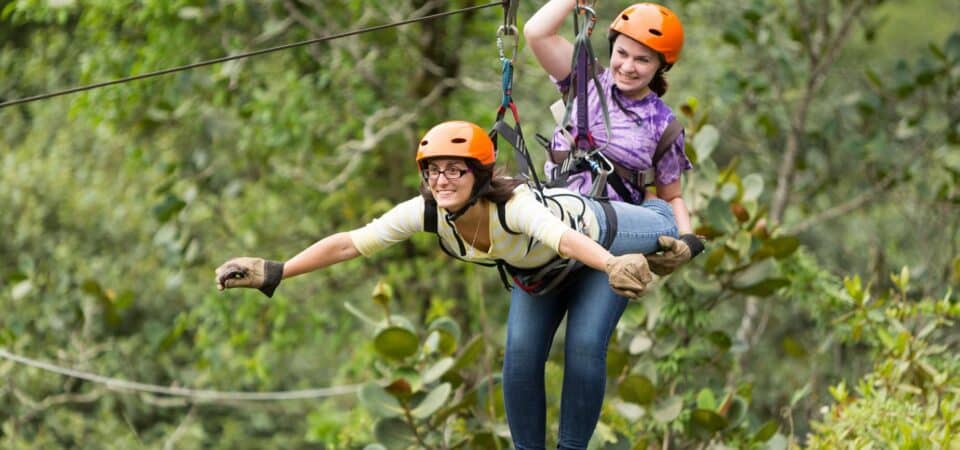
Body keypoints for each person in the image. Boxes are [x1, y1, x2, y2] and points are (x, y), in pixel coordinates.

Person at [215, 120, 681, 450]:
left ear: (478, 176)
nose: (441, 180)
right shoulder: (428, 211)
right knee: (518, 360)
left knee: (585, 343)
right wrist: (276, 270)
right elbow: (350, 245)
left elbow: (563, 238)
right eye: (432, 171)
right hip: (538, 275)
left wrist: (613, 265)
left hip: (602, 235)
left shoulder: (513, 206)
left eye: (454, 170)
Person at [525, 1, 704, 279]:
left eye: (643, 59)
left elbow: (672, 196)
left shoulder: (664, 124)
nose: (628, 67)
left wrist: (689, 240)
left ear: (660, 66)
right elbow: (536, 32)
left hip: (613, 239)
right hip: (556, 223)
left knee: (590, 325)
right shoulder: (585, 80)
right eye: (622, 53)